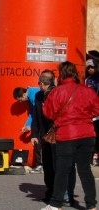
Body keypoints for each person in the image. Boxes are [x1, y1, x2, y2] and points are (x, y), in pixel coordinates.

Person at [42, 61, 99, 210]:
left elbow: (48, 113)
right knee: (85, 170)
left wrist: (61, 118)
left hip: (67, 134)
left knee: (62, 170)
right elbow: (96, 110)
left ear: (61, 74)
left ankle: (55, 204)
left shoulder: (57, 91)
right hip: (87, 133)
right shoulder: (88, 91)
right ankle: (91, 205)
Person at [33, 70, 77, 206]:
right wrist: (35, 134)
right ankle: (51, 192)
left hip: (60, 135)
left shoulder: (58, 93)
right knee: (48, 165)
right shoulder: (39, 95)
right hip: (46, 136)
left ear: (42, 83)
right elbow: (36, 115)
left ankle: (65, 195)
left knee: (61, 166)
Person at [14, 84, 42, 171]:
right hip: (39, 121)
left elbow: (37, 112)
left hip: (42, 122)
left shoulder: (34, 95)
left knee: (38, 141)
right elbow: (32, 113)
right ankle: (40, 164)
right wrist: (27, 125)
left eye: (21, 100)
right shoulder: (30, 96)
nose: (21, 102)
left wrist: (33, 126)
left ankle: (41, 164)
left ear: (23, 95)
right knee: (38, 142)